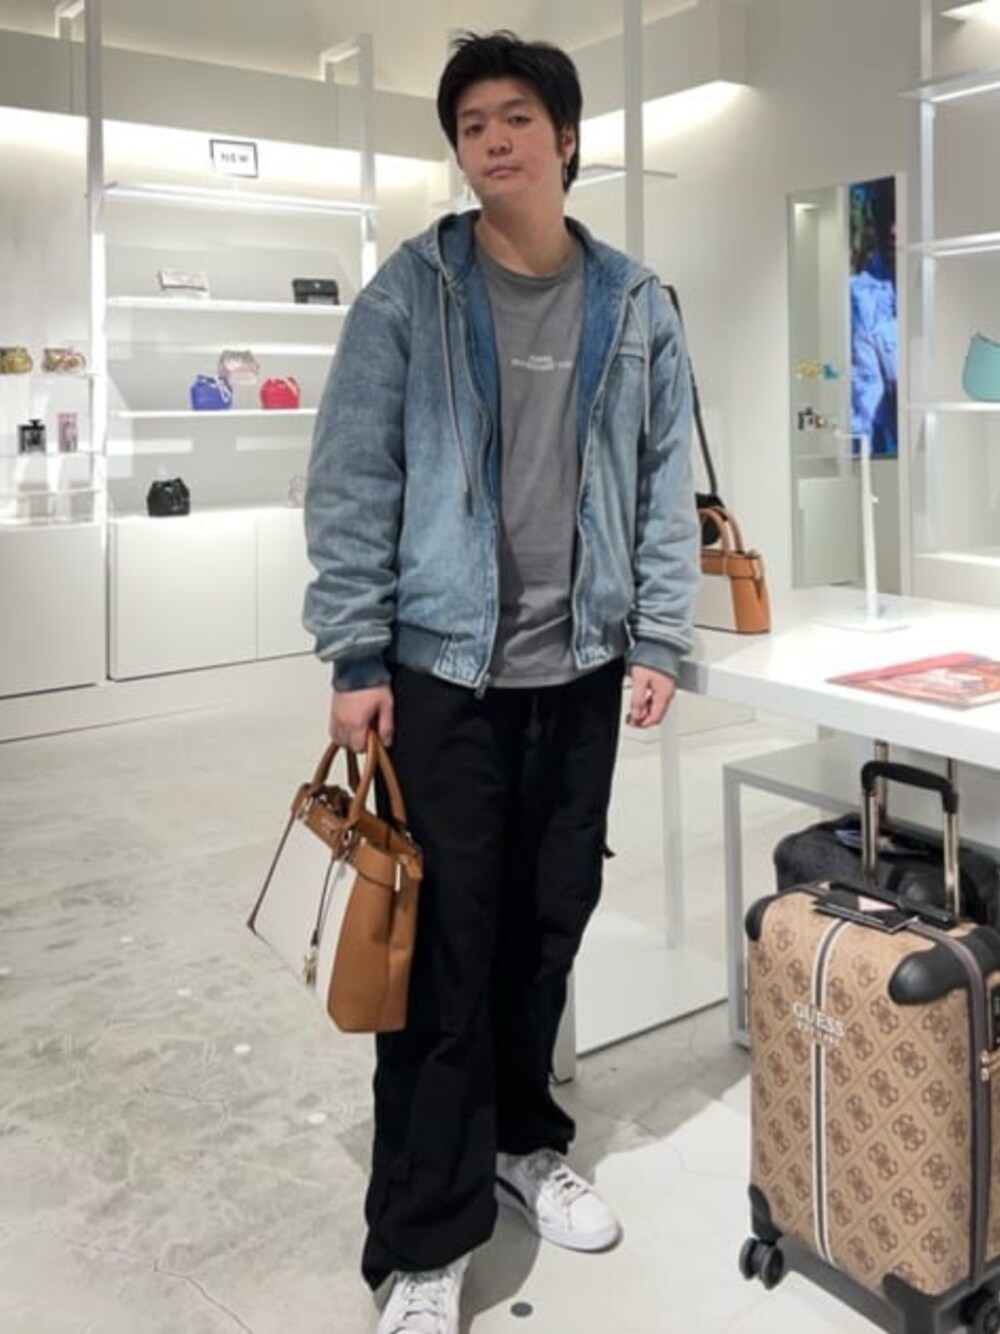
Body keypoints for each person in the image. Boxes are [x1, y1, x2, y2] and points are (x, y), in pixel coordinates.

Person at [303, 30, 699, 1334]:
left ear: (566, 138)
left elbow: (661, 483)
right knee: (444, 954)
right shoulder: (410, 295)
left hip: (579, 670)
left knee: (547, 922)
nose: (492, 140)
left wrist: (658, 637)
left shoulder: (635, 303)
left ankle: (525, 1141)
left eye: (517, 116)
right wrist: (356, 653)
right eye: (471, 124)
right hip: (445, 677)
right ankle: (424, 1237)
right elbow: (353, 477)